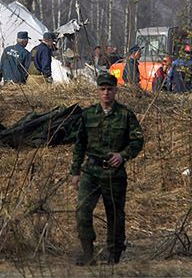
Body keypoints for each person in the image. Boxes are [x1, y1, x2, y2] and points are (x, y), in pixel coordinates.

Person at [70, 73, 144, 266]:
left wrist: (123, 155)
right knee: (82, 211)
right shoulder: (87, 115)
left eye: (109, 89)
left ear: (115, 91)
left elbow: (138, 140)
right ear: (98, 91)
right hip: (91, 172)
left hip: (114, 173)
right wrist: (75, 172)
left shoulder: (126, 115)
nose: (106, 93)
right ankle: (88, 252)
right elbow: (79, 144)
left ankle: (114, 253)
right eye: (102, 89)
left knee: (115, 214)